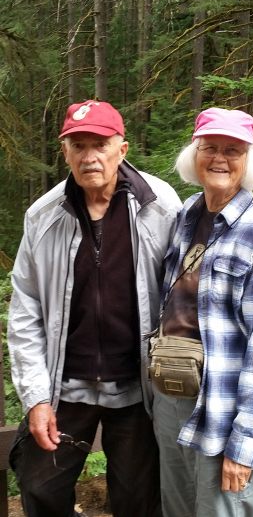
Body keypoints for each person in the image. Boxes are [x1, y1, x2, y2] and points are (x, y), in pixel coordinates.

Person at [7, 99, 182, 517]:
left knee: (138, 499)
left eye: (100, 145)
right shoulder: (43, 216)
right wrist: (35, 398)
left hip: (138, 386)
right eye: (78, 146)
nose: (89, 157)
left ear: (122, 149)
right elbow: (25, 309)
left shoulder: (161, 206)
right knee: (40, 485)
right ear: (64, 152)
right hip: (65, 385)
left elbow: (183, 292)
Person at [152, 107, 253, 517]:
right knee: (176, 509)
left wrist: (245, 444)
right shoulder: (187, 215)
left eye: (232, 150)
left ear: (249, 161)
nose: (219, 158)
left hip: (226, 409)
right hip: (171, 396)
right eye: (209, 147)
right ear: (193, 155)